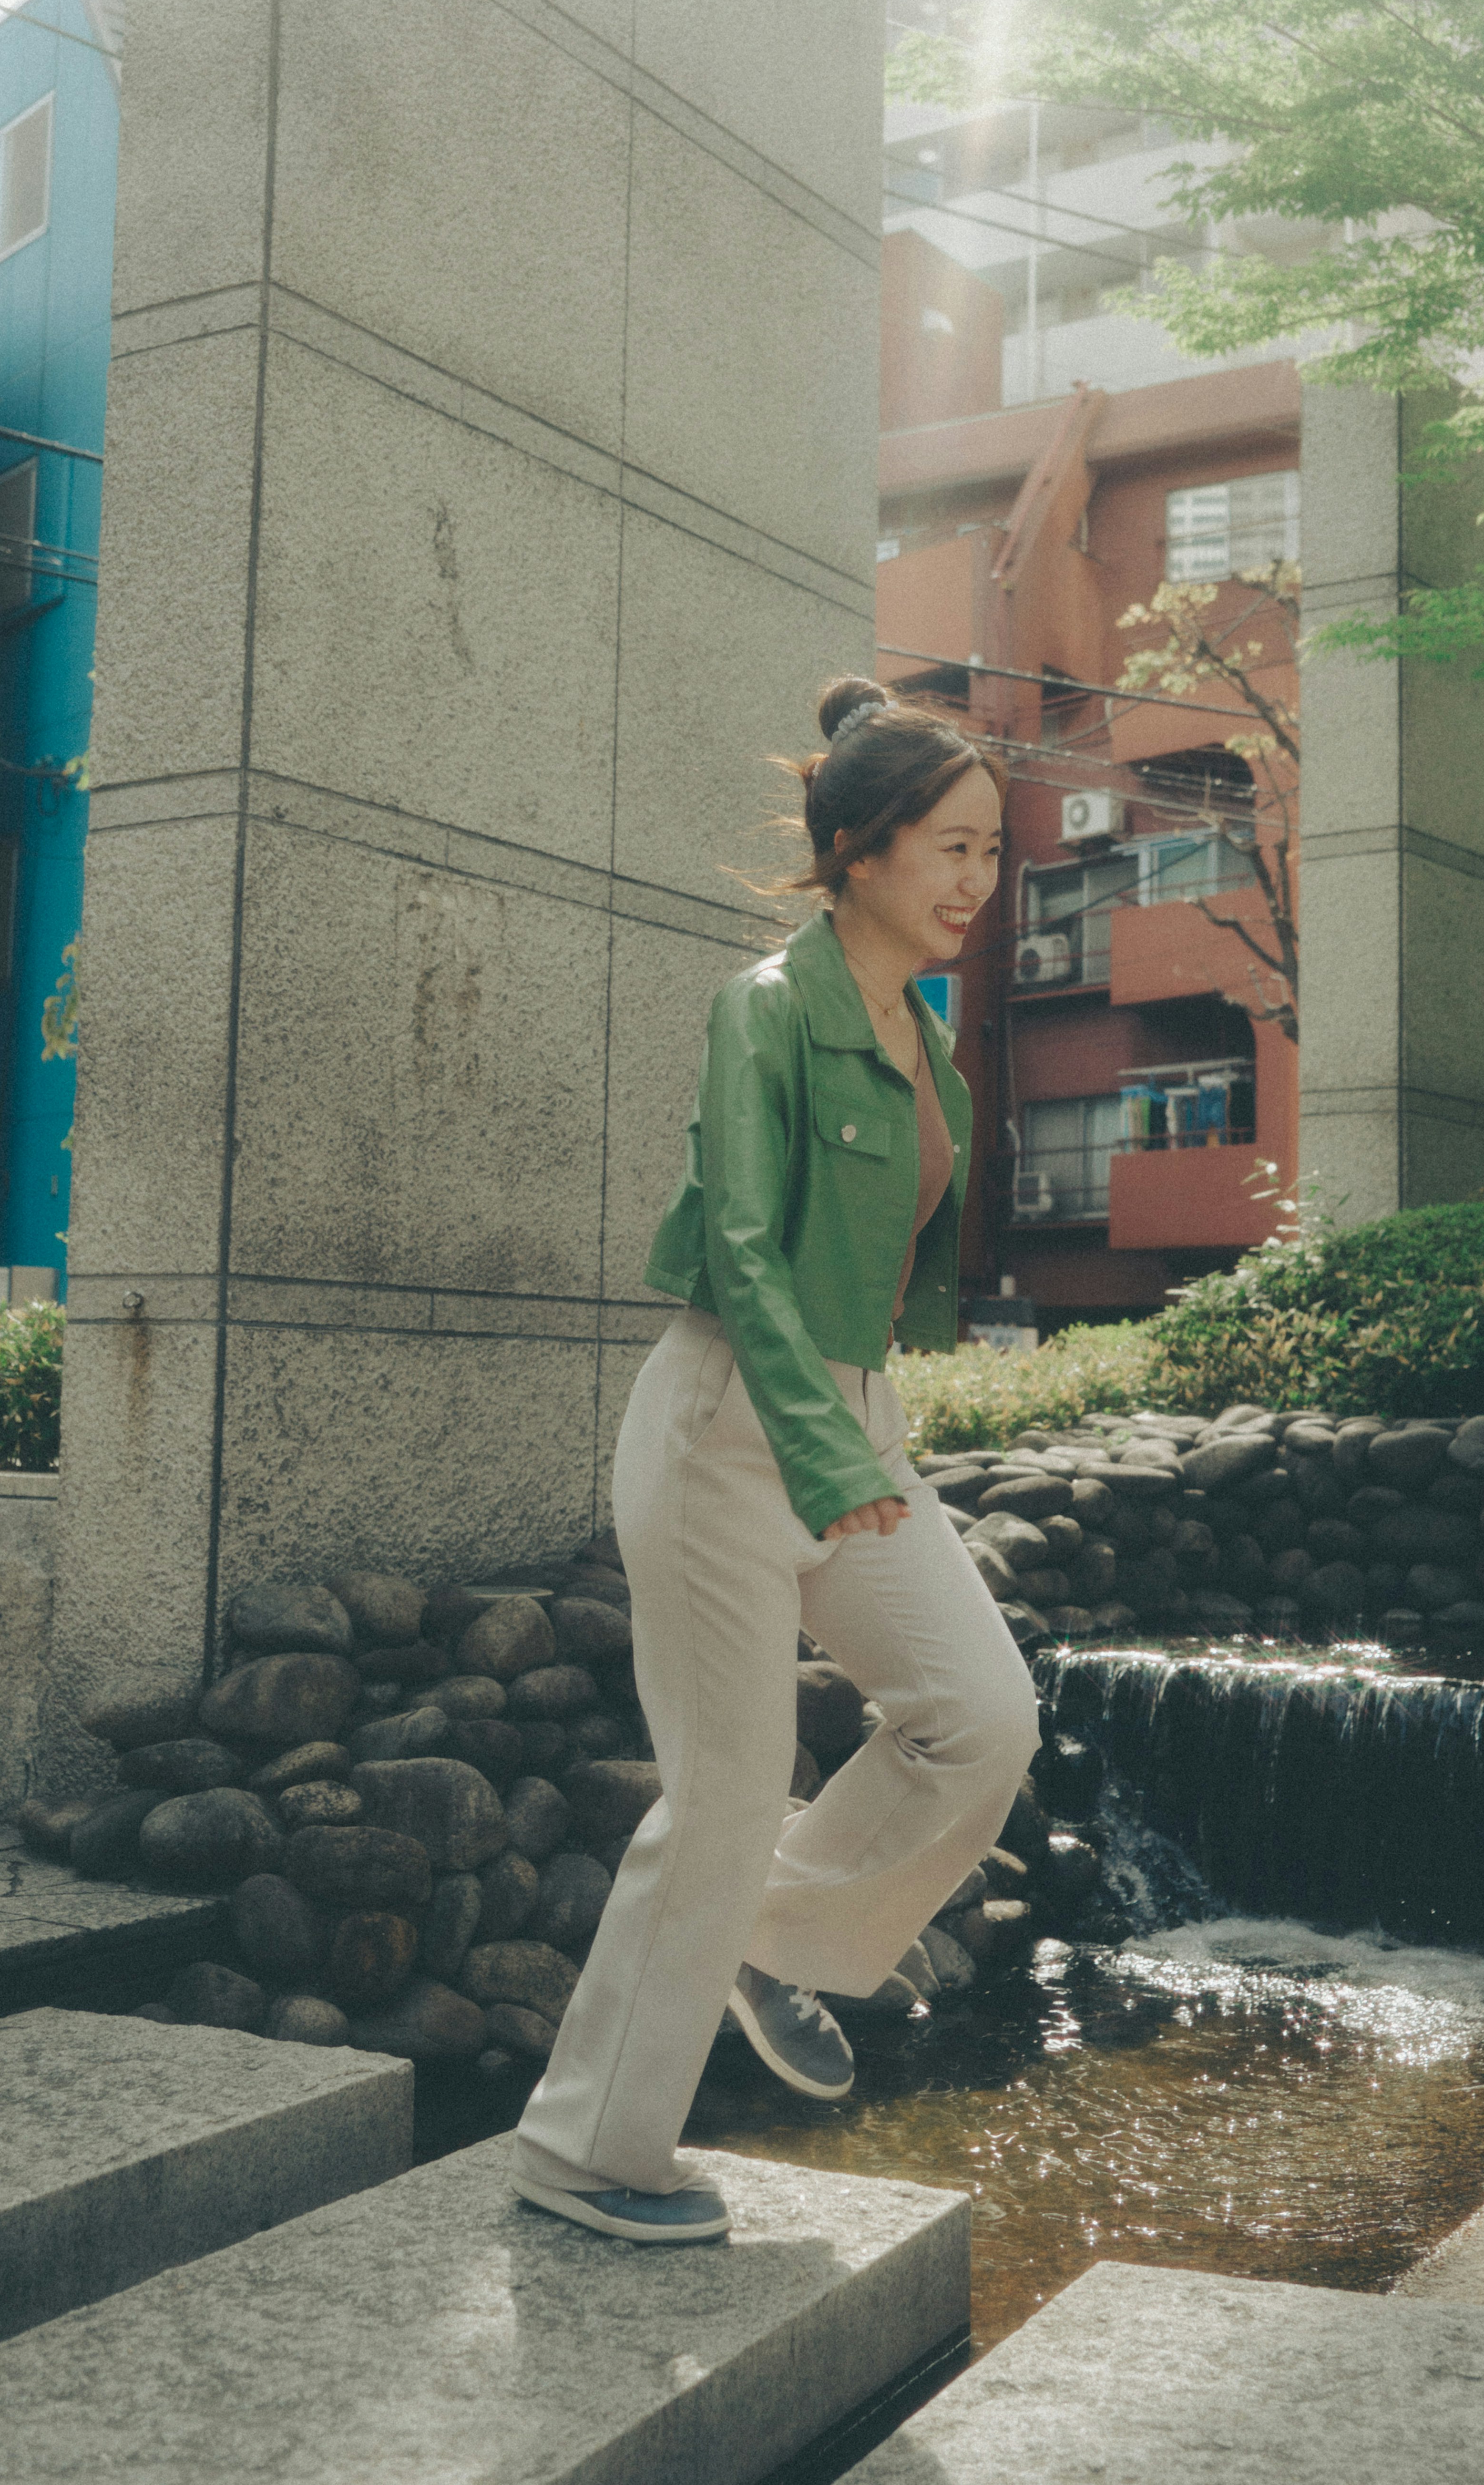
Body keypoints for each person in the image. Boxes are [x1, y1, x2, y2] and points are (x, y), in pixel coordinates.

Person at [509, 676, 1041, 2244]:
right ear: (860, 850)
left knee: (981, 1718)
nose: (975, 883)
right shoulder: (765, 1006)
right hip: (730, 1432)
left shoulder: (924, 1041)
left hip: (850, 1425)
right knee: (730, 1789)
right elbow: (741, 1250)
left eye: (993, 854)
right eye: (951, 848)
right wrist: (822, 1448)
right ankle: (584, 2152)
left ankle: (773, 1940)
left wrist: (856, 1433)